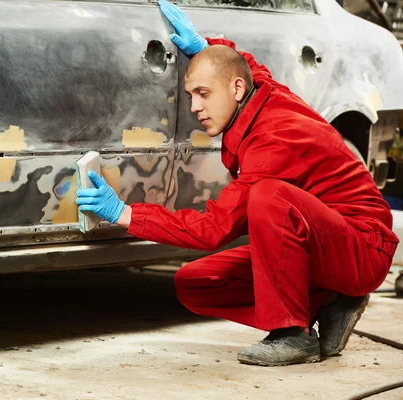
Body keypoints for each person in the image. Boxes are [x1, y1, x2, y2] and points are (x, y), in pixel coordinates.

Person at [76, 0, 399, 366]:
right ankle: (330, 301)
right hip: (324, 244)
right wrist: (204, 47)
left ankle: (292, 334)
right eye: (191, 95)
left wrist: (126, 214)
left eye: (204, 94)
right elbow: (248, 66)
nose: (195, 107)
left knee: (267, 198)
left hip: (362, 247)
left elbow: (214, 229)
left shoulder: (272, 139)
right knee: (196, 282)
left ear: (237, 89)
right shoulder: (263, 91)